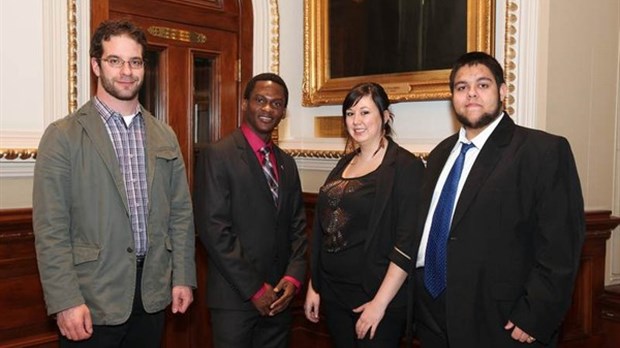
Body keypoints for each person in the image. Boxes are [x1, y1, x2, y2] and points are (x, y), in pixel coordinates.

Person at [32, 19, 196, 347]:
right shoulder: (63, 136)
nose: (126, 71)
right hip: (91, 299)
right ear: (96, 65)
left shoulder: (164, 134)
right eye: (115, 60)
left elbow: (180, 213)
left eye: (135, 62)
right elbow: (51, 228)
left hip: (152, 293)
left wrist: (183, 278)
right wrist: (65, 300)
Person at [413, 51, 585, 347]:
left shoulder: (542, 151)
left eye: (483, 85)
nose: (471, 94)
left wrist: (536, 314)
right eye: (461, 87)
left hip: (499, 322)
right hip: (430, 313)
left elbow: (560, 246)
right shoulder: (441, 154)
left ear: (503, 91)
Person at [304, 82, 425, 347]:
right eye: (350, 113)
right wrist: (315, 285)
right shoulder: (344, 163)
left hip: (375, 298)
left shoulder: (406, 167)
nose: (356, 121)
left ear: (385, 116)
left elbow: (407, 244)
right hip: (335, 295)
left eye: (365, 112)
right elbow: (324, 231)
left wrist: (379, 304)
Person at [194, 73, 307, 348]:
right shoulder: (218, 155)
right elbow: (214, 230)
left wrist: (293, 278)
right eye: (260, 100)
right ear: (245, 103)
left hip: (280, 300)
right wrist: (255, 290)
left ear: (283, 112)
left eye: (276, 104)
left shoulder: (287, 164)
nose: (268, 109)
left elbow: (298, 227)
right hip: (236, 299)